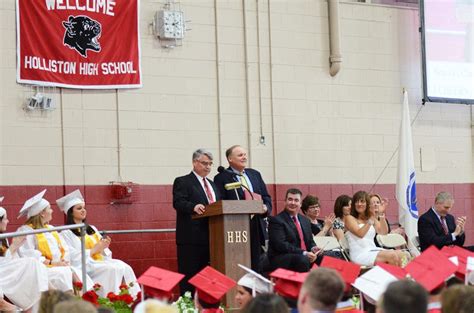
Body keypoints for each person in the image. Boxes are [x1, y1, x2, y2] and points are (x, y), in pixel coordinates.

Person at [58, 189, 139, 297]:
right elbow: (72, 256)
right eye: (79, 208)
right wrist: (93, 250)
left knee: (125, 267)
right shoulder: (66, 233)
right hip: (86, 265)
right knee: (113, 269)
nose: (83, 210)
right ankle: (110, 300)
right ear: (71, 213)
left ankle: (131, 300)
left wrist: (104, 246)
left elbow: (105, 252)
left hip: (99, 261)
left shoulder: (91, 228)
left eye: (84, 208)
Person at [214, 145, 272, 272]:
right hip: (235, 227)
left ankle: (256, 291)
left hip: (256, 223)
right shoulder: (222, 177)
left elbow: (266, 197)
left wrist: (265, 208)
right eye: (240, 155)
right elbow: (220, 202)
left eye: (245, 154)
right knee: (238, 263)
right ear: (230, 159)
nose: (244, 157)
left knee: (257, 263)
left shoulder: (255, 174)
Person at [173, 149, 220, 294]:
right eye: (204, 163)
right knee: (190, 276)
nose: (208, 167)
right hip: (191, 239)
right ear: (194, 162)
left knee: (207, 276)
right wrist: (193, 206)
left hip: (212, 237)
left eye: (210, 164)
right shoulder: (183, 181)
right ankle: (188, 306)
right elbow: (178, 202)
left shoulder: (213, 184)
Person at [17, 190, 83, 292]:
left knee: (79, 273)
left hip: (59, 266)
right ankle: (68, 302)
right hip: (43, 270)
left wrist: (63, 261)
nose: (52, 211)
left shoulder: (50, 228)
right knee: (63, 274)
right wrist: (54, 263)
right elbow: (29, 256)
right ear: (42, 213)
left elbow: (64, 248)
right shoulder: (26, 231)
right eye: (49, 208)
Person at [0, 197, 49, 311]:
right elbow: (3, 262)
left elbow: (9, 260)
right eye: (5, 219)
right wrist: (14, 247)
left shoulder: (3, 238)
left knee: (33, 264)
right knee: (31, 264)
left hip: (6, 270)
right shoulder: (23, 230)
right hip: (3, 273)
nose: (8, 221)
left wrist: (14, 248)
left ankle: (37, 303)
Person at [344, 191, 405, 266]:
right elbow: (360, 234)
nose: (359, 204)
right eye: (356, 202)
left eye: (362, 201)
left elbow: (383, 232)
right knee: (392, 255)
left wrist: (381, 215)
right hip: (360, 254)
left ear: (367, 204)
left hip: (372, 250)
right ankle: (396, 276)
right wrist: (371, 220)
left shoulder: (370, 218)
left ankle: (399, 276)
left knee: (402, 255)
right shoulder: (349, 218)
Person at [268, 188, 317, 272]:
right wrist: (304, 253)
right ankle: (304, 284)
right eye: (290, 199)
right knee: (303, 259)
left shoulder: (305, 220)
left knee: (325, 257)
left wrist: (314, 248)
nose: (293, 203)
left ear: (300, 204)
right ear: (285, 201)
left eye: (296, 200)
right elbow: (281, 245)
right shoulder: (276, 220)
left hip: (303, 255)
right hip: (282, 257)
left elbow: (309, 241)